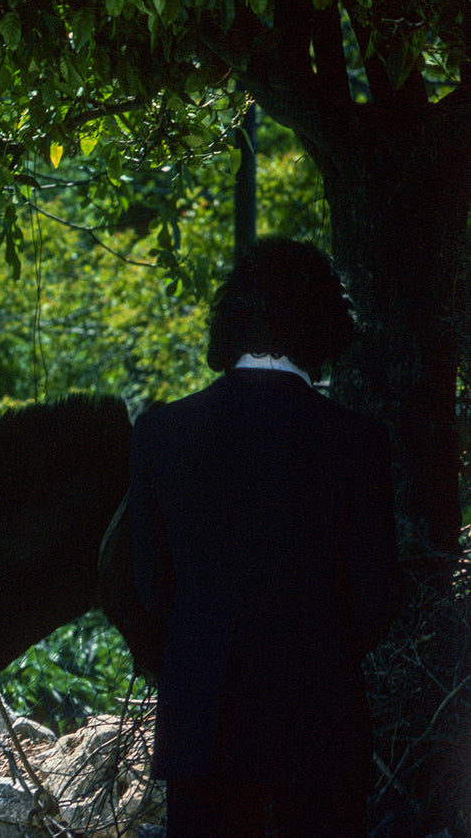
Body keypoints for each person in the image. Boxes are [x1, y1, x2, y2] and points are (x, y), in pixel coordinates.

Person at [127, 237, 403, 837]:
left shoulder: (160, 433)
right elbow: (378, 599)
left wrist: (210, 636)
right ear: (325, 324)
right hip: (320, 725)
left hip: (203, 722)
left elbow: (150, 587)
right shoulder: (358, 441)